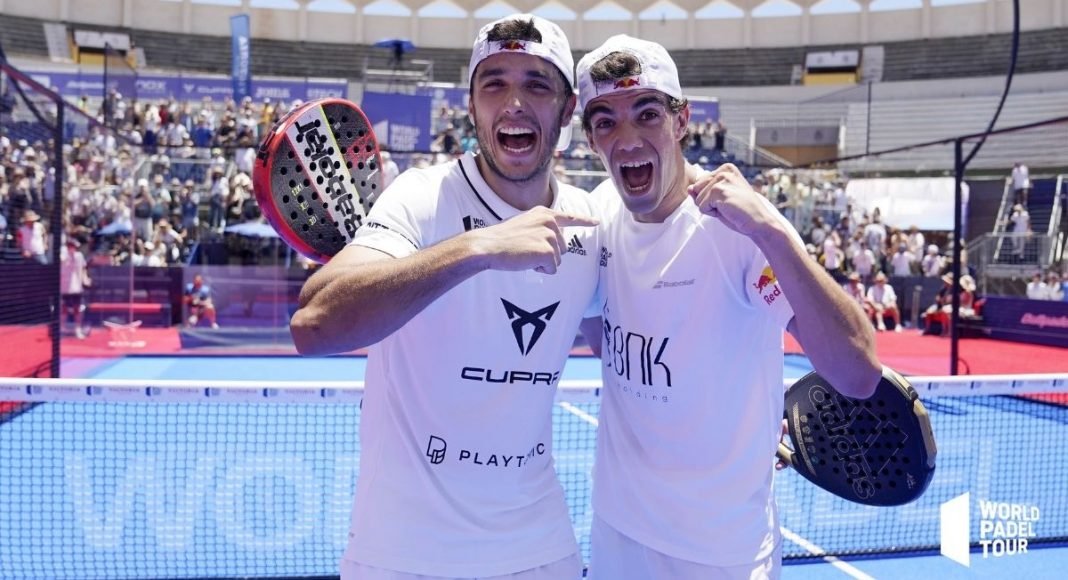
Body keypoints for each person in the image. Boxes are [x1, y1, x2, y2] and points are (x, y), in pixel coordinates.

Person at [290, 14, 601, 580]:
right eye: (495, 83)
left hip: (541, 548)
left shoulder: (591, 221)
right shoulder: (419, 196)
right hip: (402, 553)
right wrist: (477, 247)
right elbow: (314, 325)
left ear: (568, 106)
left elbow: (638, 352)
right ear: (472, 102)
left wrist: (736, 418)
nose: (514, 102)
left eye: (537, 84)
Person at [574, 35, 880, 580]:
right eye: (605, 122)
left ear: (681, 121)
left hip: (722, 554)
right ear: (591, 141)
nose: (626, 139)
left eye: (646, 114)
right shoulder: (598, 219)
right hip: (616, 533)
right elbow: (609, 340)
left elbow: (857, 374)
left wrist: (774, 234)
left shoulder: (741, 227)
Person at [60, 237, 91, 339]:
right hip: (65, 287)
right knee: (63, 308)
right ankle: (62, 328)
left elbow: (83, 269)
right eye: (70, 246)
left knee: (77, 309)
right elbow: (61, 263)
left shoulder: (79, 256)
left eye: (74, 246)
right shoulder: (63, 255)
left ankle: (78, 329)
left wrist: (85, 279)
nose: (73, 248)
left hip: (76, 287)